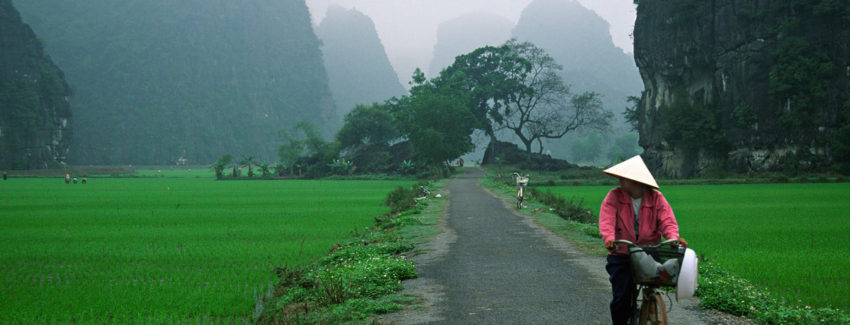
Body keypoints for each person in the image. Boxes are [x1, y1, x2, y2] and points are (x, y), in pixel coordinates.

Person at [598, 155, 688, 325]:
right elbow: (607, 219)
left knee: (656, 278)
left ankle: (651, 302)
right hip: (622, 252)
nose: (620, 182)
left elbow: (667, 221)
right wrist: (609, 238)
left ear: (636, 181)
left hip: (649, 251)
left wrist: (672, 238)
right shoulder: (614, 196)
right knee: (621, 296)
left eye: (623, 179)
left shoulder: (656, 198)